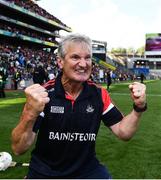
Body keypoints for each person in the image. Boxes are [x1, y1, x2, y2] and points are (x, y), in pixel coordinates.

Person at [11, 33, 147, 179]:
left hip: (87, 171)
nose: (83, 64)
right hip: (45, 172)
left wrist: (138, 107)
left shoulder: (99, 94)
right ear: (60, 62)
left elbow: (123, 132)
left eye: (87, 58)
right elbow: (19, 148)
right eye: (75, 57)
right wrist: (30, 113)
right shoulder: (44, 94)